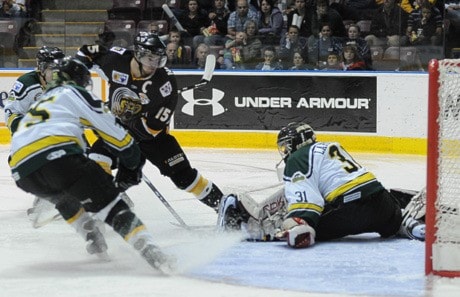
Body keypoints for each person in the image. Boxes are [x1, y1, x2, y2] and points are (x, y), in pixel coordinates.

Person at [8, 57, 174, 271]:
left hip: (23, 172)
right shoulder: (75, 93)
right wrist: (132, 164)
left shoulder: (41, 102)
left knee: (64, 197)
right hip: (58, 158)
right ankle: (154, 254)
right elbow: (119, 138)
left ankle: (93, 238)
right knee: (112, 206)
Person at [76, 32, 224, 211]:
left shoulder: (165, 84)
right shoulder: (115, 59)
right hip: (120, 132)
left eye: (158, 60)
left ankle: (225, 206)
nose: (154, 65)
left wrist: (132, 116)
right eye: (150, 59)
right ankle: (111, 202)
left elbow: (151, 130)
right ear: (137, 55)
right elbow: (85, 52)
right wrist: (78, 79)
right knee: (97, 160)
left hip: (154, 140)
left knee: (185, 178)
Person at [217, 122, 426, 248]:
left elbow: (309, 202)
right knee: (392, 222)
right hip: (382, 202)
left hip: (352, 209)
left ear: (296, 143)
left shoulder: (298, 157)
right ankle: (410, 226)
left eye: (285, 145)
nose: (285, 151)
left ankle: (264, 230)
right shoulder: (329, 147)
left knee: (294, 224)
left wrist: (298, 222)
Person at [3, 46, 65, 224]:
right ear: (42, 68)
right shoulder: (27, 83)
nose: (57, 74)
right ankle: (47, 198)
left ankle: (104, 193)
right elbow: (11, 113)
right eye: (52, 70)